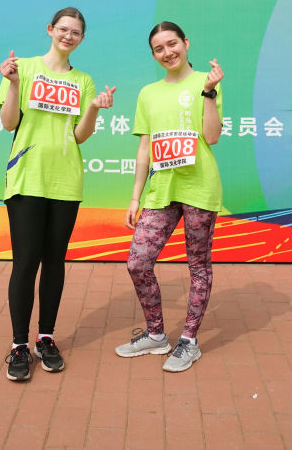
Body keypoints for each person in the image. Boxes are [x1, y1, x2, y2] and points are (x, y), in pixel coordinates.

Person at [0, 7, 115, 381]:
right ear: (50, 29)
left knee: (54, 261)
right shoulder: (24, 68)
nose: (68, 36)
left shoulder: (83, 81)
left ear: (82, 39)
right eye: (63, 29)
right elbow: (9, 122)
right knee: (25, 263)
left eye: (76, 32)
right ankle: (19, 345)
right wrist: (13, 84)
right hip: (26, 178)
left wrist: (93, 108)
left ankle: (45, 338)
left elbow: (80, 135)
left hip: (66, 182)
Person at [115, 21, 224, 373]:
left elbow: (212, 136)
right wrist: (135, 198)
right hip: (161, 190)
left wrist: (209, 94)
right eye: (159, 49)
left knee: (198, 265)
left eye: (172, 44)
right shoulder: (148, 93)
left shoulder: (206, 82)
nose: (167, 52)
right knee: (138, 262)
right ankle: (156, 334)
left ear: (186, 43)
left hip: (199, 187)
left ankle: (189, 341)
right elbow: (144, 148)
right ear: (153, 55)